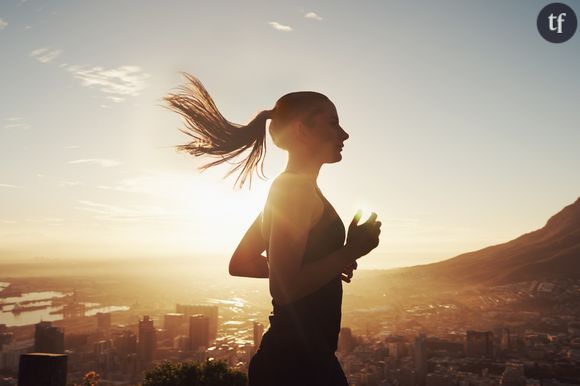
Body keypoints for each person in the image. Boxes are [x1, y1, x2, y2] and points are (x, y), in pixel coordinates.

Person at [165, 74, 382, 386]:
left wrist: (328, 264)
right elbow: (283, 287)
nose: (344, 134)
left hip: (296, 360)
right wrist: (349, 251)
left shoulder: (292, 189)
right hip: (298, 365)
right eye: (332, 123)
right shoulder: (294, 191)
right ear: (301, 130)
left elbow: (242, 262)